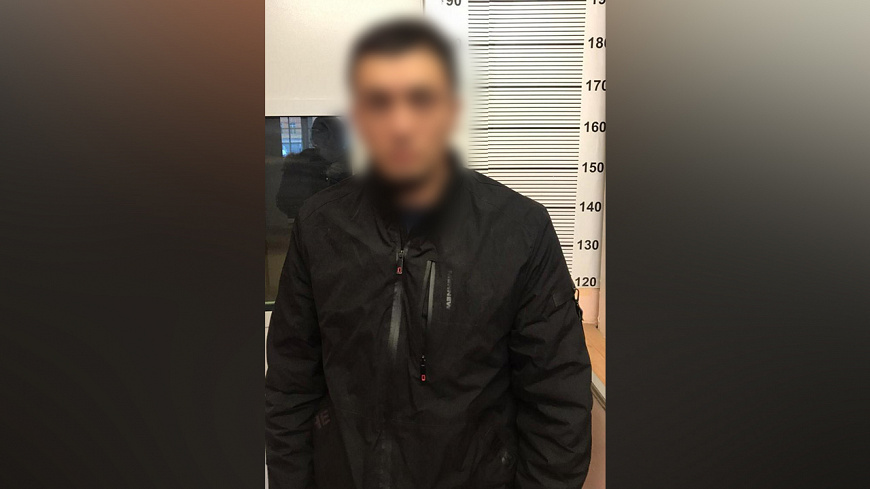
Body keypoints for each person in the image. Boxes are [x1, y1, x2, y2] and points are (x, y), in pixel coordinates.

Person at [266, 18, 592, 489]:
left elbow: (558, 404)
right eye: (381, 102)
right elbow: (290, 384)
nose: (401, 123)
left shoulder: (520, 231)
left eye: (420, 99)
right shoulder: (319, 226)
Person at [275, 116, 350, 220]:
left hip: (344, 224)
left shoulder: (353, 162)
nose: (329, 143)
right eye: (326, 138)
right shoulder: (300, 163)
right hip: (310, 223)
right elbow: (285, 202)